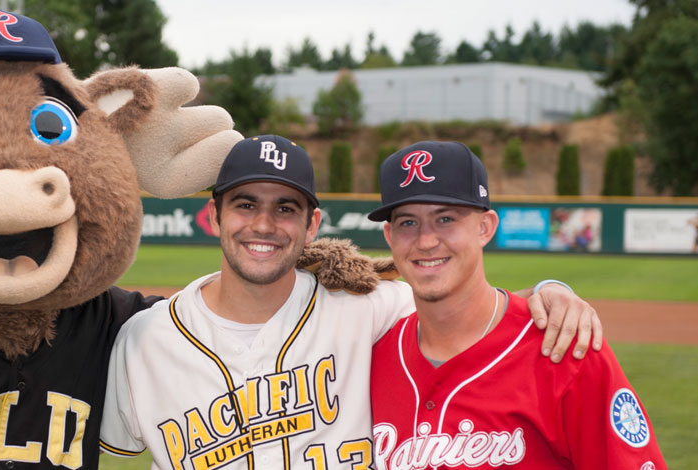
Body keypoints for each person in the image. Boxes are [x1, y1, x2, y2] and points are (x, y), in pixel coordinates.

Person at [99, 135, 603, 470]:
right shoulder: (146, 340)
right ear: (214, 215)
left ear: (313, 224)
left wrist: (548, 293)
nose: (264, 225)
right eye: (246, 204)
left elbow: (460, 305)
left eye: (286, 208)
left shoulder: (371, 308)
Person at [369, 141, 666, 469]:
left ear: (485, 227)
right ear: (389, 236)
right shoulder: (371, 355)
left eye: (446, 219)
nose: (426, 241)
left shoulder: (565, 347)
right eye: (408, 223)